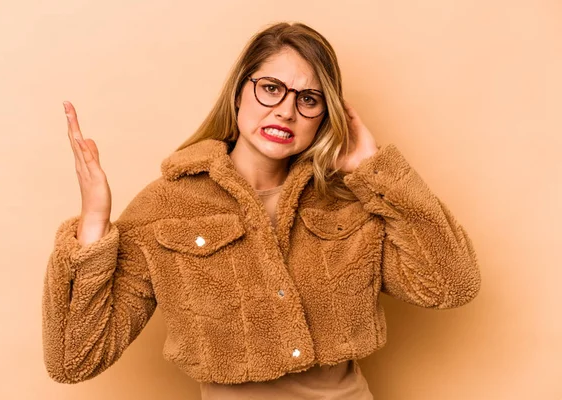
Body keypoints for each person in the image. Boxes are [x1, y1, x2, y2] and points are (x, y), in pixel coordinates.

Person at [42, 22, 481, 399]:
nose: (286, 111)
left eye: (308, 99)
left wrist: (374, 169)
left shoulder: (347, 200)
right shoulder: (166, 206)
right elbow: (73, 359)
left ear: (325, 115)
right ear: (238, 93)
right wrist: (95, 224)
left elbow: (450, 285)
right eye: (271, 88)